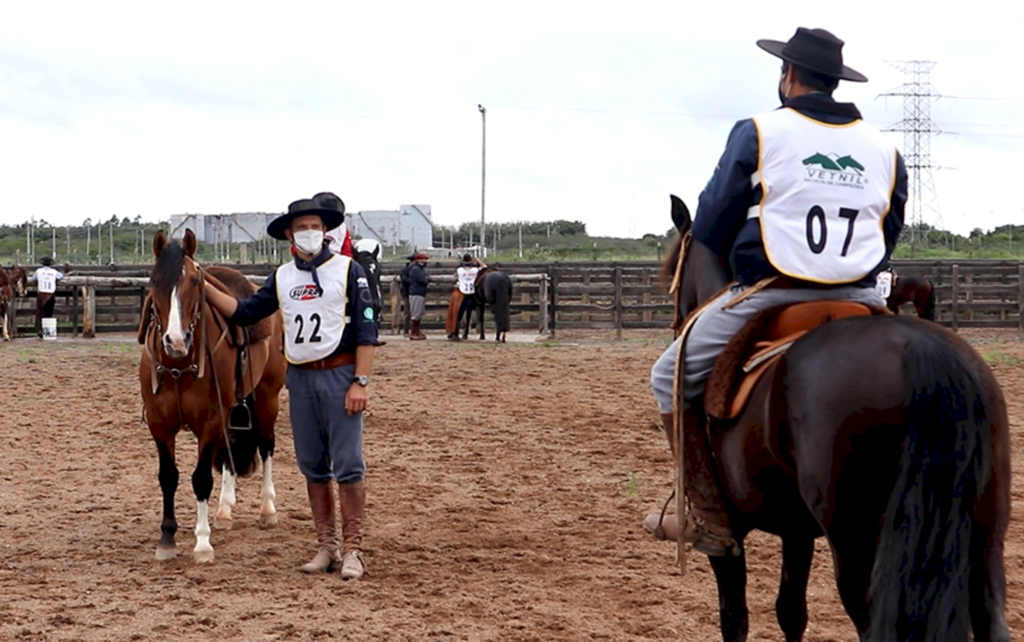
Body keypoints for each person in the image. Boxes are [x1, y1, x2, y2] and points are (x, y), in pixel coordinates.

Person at [645, 27, 907, 556]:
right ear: (835, 82)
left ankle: (707, 514)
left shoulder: (759, 132)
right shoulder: (884, 147)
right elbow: (889, 231)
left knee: (666, 375)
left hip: (774, 291)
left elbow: (713, 228)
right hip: (863, 298)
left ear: (787, 75)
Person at [204, 191, 378, 580]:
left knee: (348, 464)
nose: (311, 233)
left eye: (317, 227)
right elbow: (246, 311)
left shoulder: (350, 271)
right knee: (313, 464)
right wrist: (205, 284)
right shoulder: (282, 278)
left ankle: (354, 549)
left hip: (339, 371)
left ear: (326, 231)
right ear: (290, 235)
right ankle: (326, 545)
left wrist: (360, 382)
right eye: (303, 228)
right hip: (299, 376)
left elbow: (367, 331)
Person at [447, 254, 486, 340]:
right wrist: (478, 261)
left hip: (460, 292)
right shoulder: (475, 270)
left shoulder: (459, 270)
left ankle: (454, 332)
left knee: (456, 312)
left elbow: (455, 278)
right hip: (471, 292)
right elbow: (484, 267)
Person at [30, 257, 64, 337]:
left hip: (41, 293)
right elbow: (61, 276)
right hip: (51, 294)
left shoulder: (38, 271)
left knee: (40, 313)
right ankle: (47, 331)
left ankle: (40, 330)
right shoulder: (54, 272)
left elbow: (33, 279)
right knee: (49, 313)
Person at [407, 253, 431, 340]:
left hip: (420, 292)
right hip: (416, 292)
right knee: (415, 313)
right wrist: (427, 279)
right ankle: (413, 332)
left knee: (419, 313)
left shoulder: (421, 269)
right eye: (422, 259)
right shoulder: (416, 269)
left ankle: (417, 331)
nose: (424, 261)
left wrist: (427, 278)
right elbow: (424, 280)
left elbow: (428, 278)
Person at [398, 254, 416, 336]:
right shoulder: (405, 270)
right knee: (407, 312)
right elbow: (404, 279)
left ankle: (414, 330)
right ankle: (406, 330)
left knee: (415, 312)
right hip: (407, 292)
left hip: (413, 292)